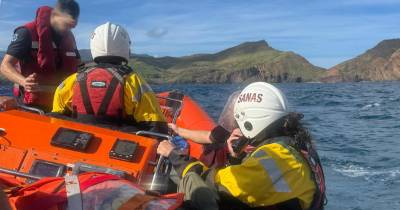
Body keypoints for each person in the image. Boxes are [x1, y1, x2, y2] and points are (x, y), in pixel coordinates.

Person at [157, 82, 326, 210]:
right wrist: (235, 159)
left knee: (194, 186)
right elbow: (265, 186)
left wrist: (174, 155)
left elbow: (210, 183)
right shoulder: (295, 147)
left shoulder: (271, 159)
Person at [52, 22, 167, 134]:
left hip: (76, 142)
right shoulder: (132, 80)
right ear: (125, 47)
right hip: (120, 145)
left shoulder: (73, 80)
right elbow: (156, 127)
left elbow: (56, 117)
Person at [0, 0, 81, 112]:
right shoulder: (26, 32)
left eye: (72, 26)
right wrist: (24, 81)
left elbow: (78, 65)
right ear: (55, 15)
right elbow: (5, 66)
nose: (69, 29)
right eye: (67, 24)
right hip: (31, 105)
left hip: (62, 103)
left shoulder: (69, 38)